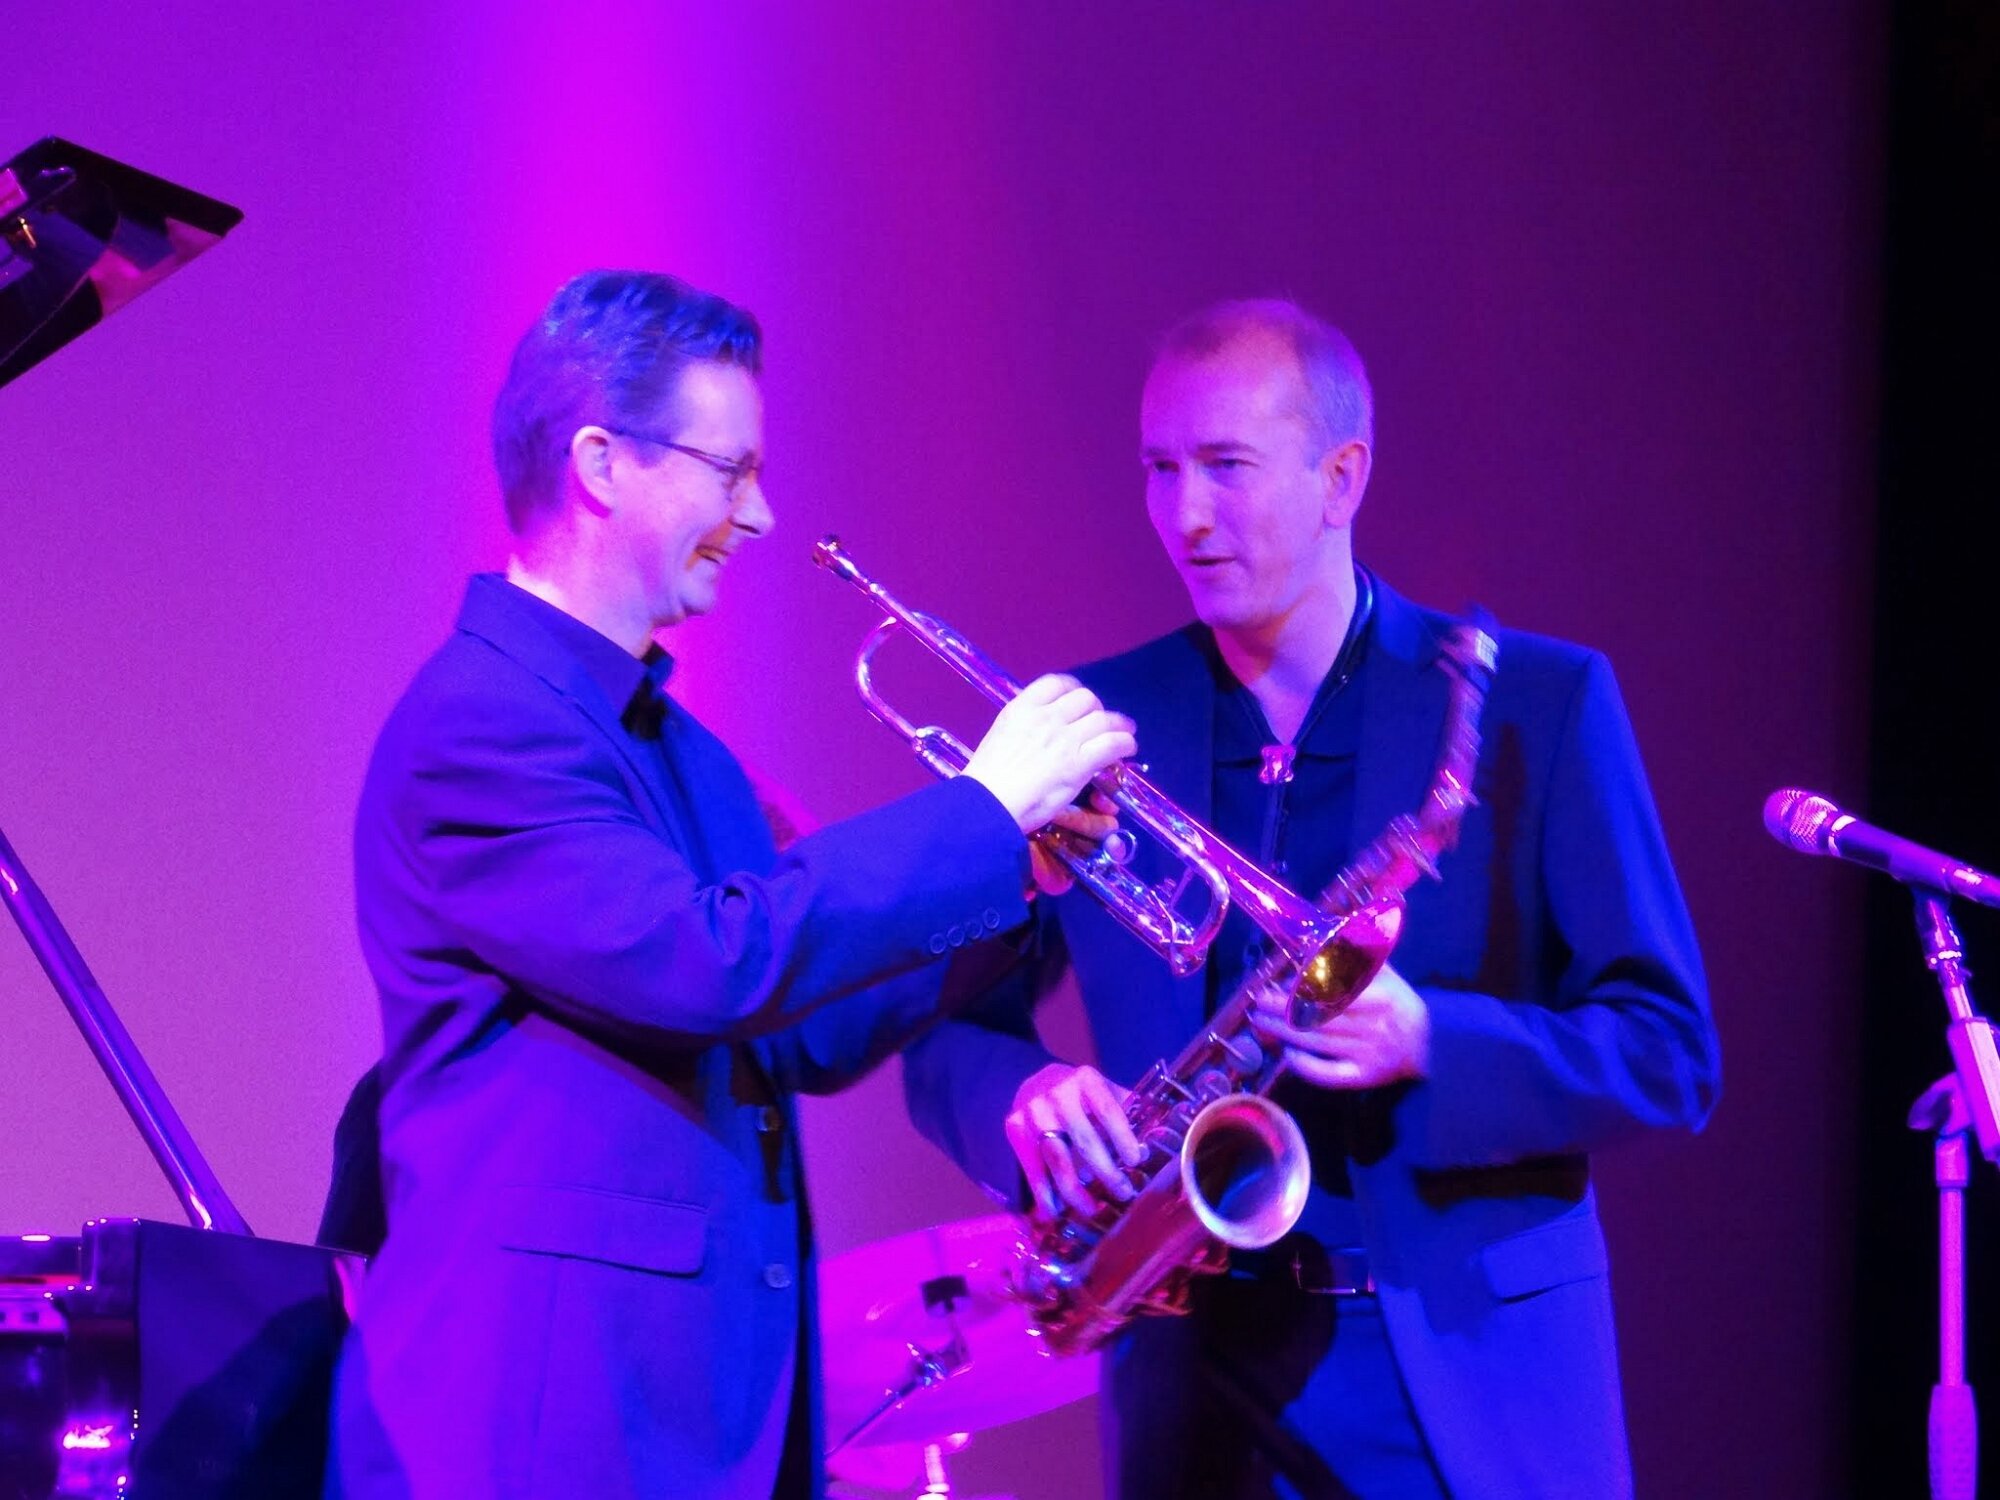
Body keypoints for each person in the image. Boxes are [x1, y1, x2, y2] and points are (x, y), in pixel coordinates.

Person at [325, 269, 1135, 1500]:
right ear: (602, 465)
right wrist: (976, 811)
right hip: (543, 1431)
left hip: (687, 1418)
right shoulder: (481, 722)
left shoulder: (681, 749)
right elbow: (705, 963)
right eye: (729, 470)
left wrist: (1012, 876)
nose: (757, 514)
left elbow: (798, 1029)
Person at [903, 300, 1721, 1499]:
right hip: (1194, 1385)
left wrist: (1430, 1040)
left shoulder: (1535, 707)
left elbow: (1665, 1052)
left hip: (1465, 1384)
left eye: (1225, 466)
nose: (1185, 514)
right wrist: (1022, 1099)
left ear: (1341, 478)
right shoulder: (1086, 724)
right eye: (1160, 469)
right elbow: (944, 1034)